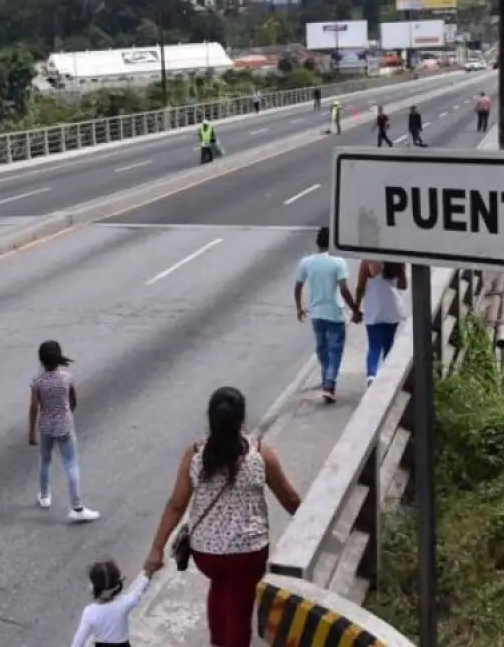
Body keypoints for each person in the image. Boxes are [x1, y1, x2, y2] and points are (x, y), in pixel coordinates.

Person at [144, 387, 301, 647]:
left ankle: (218, 641)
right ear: (241, 420)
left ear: (211, 420)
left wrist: (156, 549)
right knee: (240, 607)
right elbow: (290, 500)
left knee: (220, 587)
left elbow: (176, 505)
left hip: (207, 553)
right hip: (248, 552)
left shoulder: (195, 454)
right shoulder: (261, 455)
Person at [28, 340, 100, 523]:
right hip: (65, 426)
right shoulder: (67, 378)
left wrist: (31, 433)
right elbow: (73, 401)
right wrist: (66, 413)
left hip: (45, 426)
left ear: (41, 360)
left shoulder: (37, 381)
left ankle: (44, 496)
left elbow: (34, 407)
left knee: (45, 460)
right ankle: (77, 507)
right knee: (71, 464)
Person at [294, 227, 362, 403]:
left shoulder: (306, 262)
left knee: (322, 349)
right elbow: (344, 289)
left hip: (316, 314)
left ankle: (326, 380)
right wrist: (355, 309)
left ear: (317, 242)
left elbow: (298, 286)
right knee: (335, 351)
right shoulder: (338, 262)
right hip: (334, 313)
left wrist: (299, 307)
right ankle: (329, 385)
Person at [69, 560, 153, 647]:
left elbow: (78, 642)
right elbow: (138, 592)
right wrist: (149, 572)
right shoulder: (123, 604)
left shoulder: (89, 612)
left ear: (95, 588)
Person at [354, 260, 408, 385]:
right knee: (389, 343)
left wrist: (356, 309)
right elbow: (403, 285)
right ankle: (388, 376)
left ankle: (372, 376)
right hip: (392, 307)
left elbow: (360, 287)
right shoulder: (397, 258)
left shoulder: (367, 261)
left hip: (374, 307)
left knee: (374, 345)